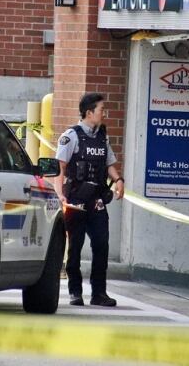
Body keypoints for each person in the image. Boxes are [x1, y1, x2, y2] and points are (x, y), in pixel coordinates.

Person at [54, 92, 125, 307]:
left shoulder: (103, 137)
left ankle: (99, 293)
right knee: (75, 247)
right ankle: (75, 291)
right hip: (76, 200)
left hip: (97, 201)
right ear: (89, 112)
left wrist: (119, 179)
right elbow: (60, 167)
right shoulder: (71, 136)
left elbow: (109, 163)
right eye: (101, 110)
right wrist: (59, 193)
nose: (104, 113)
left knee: (101, 246)